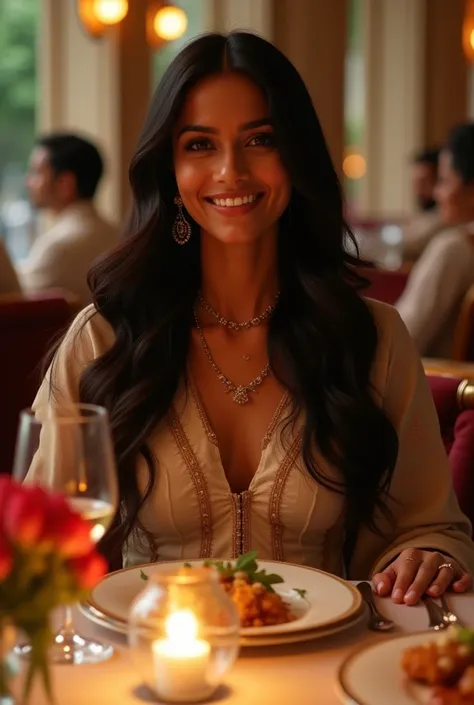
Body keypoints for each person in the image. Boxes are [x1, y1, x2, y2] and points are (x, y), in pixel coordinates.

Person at [33, 33, 473, 605]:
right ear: (169, 170)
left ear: (296, 156)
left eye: (260, 140)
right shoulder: (104, 337)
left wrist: (426, 555)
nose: (231, 170)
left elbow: (429, 527)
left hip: (328, 672)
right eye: (199, 145)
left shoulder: (373, 338)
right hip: (148, 673)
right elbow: (40, 540)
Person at [396, 123, 474, 358]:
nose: (437, 193)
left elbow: (400, 341)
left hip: (437, 388)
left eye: (444, 180)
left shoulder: (453, 249)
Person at [17, 133, 117, 305]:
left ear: (65, 184)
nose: (28, 181)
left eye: (36, 172)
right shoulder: (119, 235)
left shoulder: (58, 248)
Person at [401, 147, 445, 261]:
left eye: (422, 181)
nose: (417, 189)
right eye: (414, 181)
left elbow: (405, 245)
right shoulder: (422, 216)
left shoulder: (442, 220)